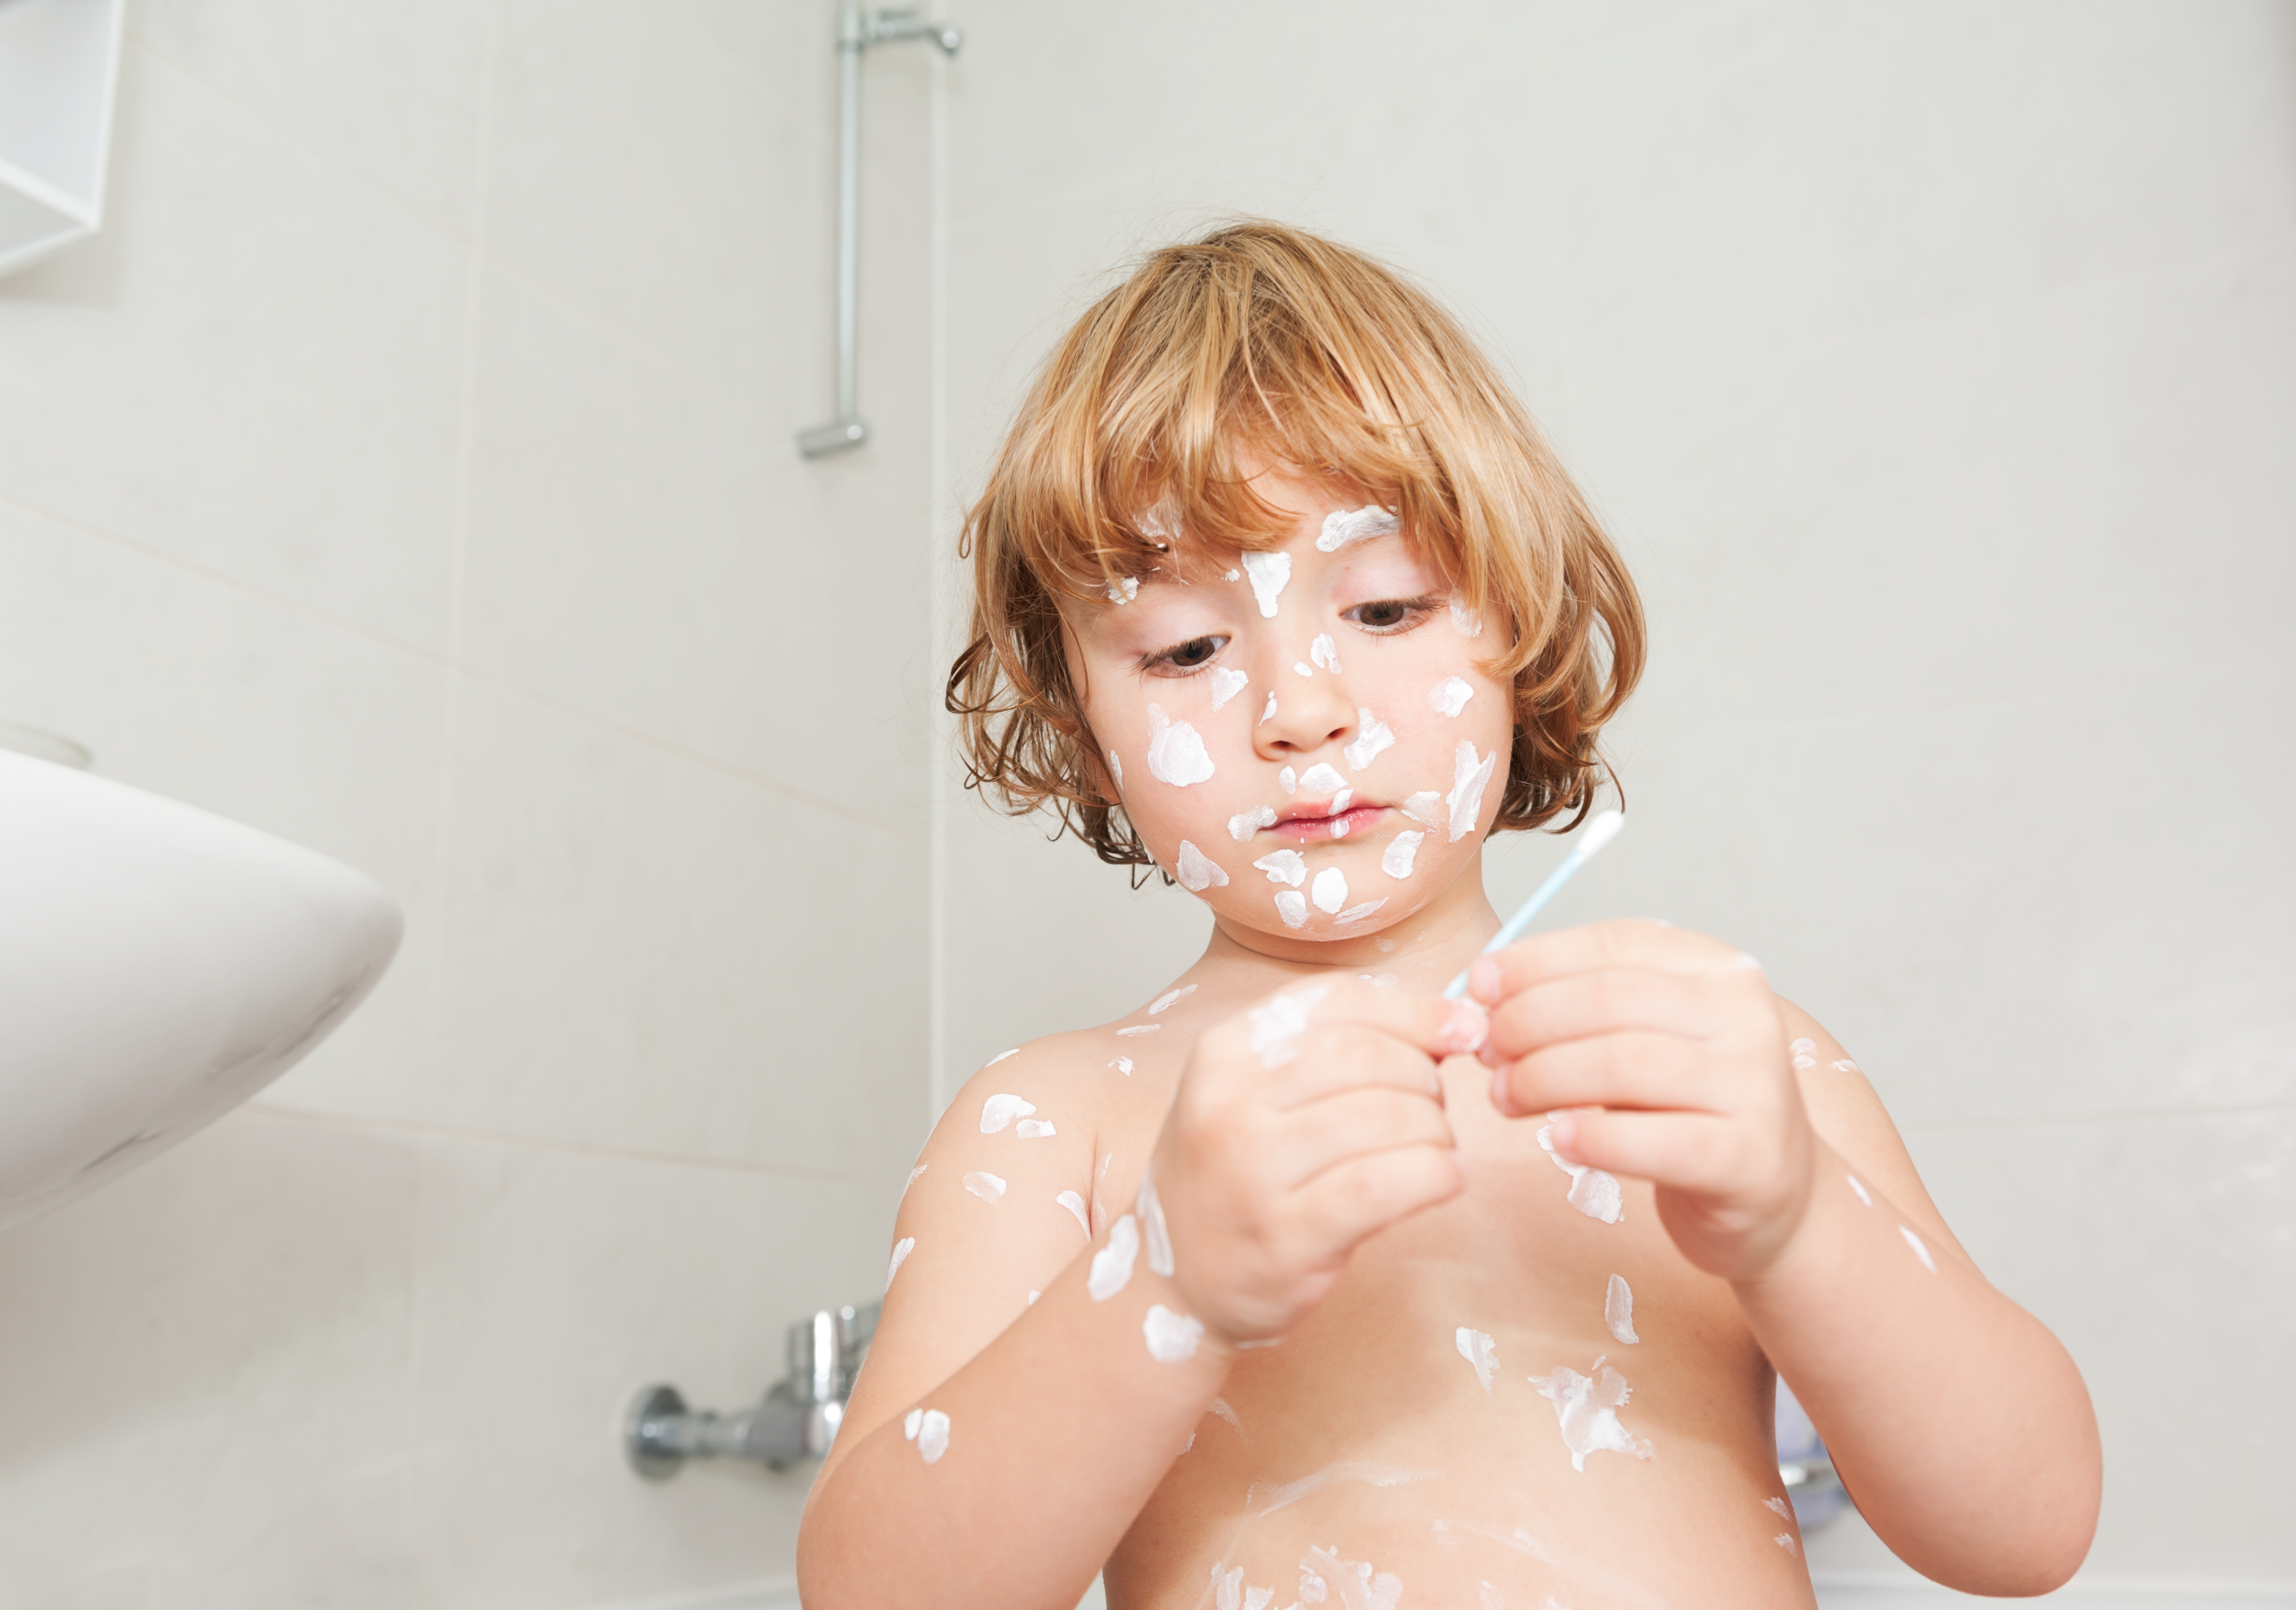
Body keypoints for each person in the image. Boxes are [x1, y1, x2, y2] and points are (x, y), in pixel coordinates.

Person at [797, 222, 2099, 1608]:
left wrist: (1795, 1222)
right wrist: (1161, 1287)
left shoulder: (1721, 1070)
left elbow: (2026, 1532)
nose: (1301, 711)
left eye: (1386, 606)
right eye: (1185, 648)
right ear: (1079, 719)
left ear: (1518, 619)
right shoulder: (1068, 1125)